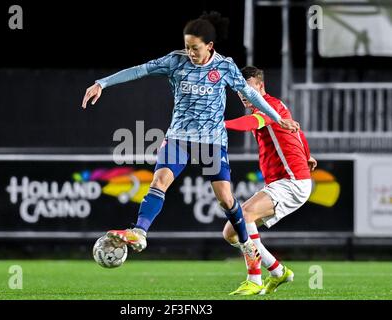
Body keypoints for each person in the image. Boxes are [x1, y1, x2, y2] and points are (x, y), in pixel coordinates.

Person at [81, 13, 300, 267]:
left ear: (209, 46)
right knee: (160, 180)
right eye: (187, 47)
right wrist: (102, 83)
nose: (190, 52)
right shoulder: (176, 61)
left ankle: (248, 247)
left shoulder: (224, 67)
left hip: (212, 141)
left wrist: (277, 117)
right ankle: (139, 232)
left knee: (226, 200)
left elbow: (250, 93)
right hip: (179, 137)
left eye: (195, 48)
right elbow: (141, 70)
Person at [223, 66, 317, 295]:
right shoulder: (276, 105)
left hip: (292, 182)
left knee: (244, 216)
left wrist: (219, 124)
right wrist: (307, 154)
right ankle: (277, 271)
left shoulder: (268, 107)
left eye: (247, 88)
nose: (243, 94)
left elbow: (251, 123)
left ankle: (254, 279)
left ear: (260, 86)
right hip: (284, 181)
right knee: (231, 231)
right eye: (238, 90)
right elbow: (297, 129)